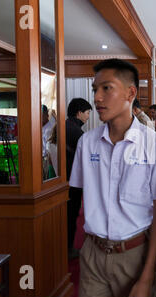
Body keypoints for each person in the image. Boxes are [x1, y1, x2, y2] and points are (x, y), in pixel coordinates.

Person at [69, 58, 156, 297]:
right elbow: (79, 196)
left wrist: (147, 275)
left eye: (106, 88)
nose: (97, 98)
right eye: (95, 90)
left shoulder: (155, 145)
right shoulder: (87, 142)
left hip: (135, 255)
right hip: (92, 253)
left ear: (130, 93)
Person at [66, 98, 92, 259]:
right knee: (71, 215)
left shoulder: (67, 126)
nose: (88, 116)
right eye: (88, 113)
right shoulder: (75, 131)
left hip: (67, 179)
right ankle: (68, 249)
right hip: (72, 180)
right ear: (79, 112)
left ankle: (67, 247)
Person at [42, 105, 56, 180]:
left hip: (46, 159)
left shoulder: (50, 128)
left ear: (46, 115)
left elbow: (50, 147)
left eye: (42, 115)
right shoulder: (40, 127)